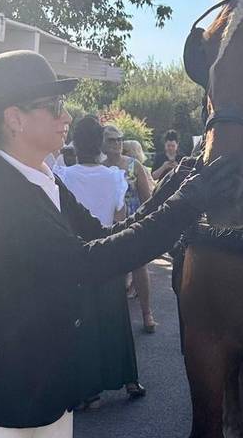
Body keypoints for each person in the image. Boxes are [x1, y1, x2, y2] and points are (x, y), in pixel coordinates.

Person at [0, 50, 242, 437]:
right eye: (54, 106)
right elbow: (86, 264)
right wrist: (188, 203)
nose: (67, 117)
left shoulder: (43, 179)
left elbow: (105, 235)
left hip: (44, 389)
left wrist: (174, 187)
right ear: (14, 119)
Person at [54, 117, 144, 406]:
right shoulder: (114, 177)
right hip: (107, 254)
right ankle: (129, 378)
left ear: (75, 145)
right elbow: (119, 221)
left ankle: (90, 390)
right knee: (116, 320)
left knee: (85, 324)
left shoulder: (63, 177)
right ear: (101, 146)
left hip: (75, 256)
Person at [103, 125, 156, 333]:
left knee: (139, 267)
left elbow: (147, 199)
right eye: (111, 140)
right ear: (102, 144)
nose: (117, 143)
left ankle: (147, 313)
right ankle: (111, 316)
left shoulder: (134, 166)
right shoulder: (100, 168)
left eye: (119, 139)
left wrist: (148, 225)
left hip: (134, 225)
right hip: (109, 227)